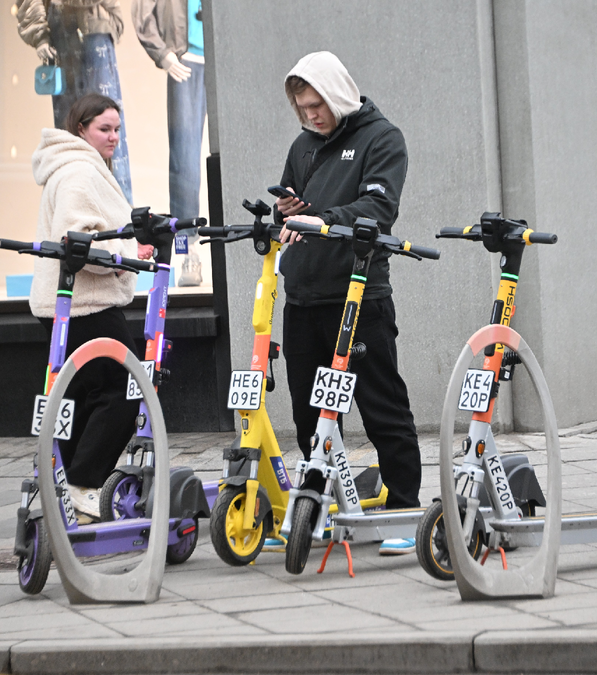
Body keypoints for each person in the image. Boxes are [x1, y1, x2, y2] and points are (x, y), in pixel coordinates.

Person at [271, 51, 421, 556]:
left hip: (359, 294)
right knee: (308, 413)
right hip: (304, 297)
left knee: (382, 407)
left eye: (317, 104)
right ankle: (320, 506)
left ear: (337, 94)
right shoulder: (303, 146)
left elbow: (379, 209)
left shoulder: (382, 138)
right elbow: (297, 213)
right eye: (302, 107)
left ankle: (404, 508)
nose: (311, 115)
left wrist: (321, 218)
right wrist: (288, 210)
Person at [29, 93, 152, 521]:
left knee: (78, 400)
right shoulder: (80, 171)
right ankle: (82, 486)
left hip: (65, 307)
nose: (114, 137)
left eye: (118, 129)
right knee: (126, 391)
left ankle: (61, 491)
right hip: (88, 305)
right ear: (81, 129)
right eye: (104, 128)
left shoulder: (71, 167)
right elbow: (77, 241)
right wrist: (127, 254)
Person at [17, 0, 134, 203]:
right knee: (71, 131)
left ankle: (121, 216)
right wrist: (40, 36)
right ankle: (76, 208)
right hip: (62, 30)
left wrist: (111, 19)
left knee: (106, 126)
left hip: (95, 27)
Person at [132, 0, 207, 286]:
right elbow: (141, 14)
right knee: (185, 162)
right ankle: (188, 250)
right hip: (184, 63)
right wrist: (163, 54)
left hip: (223, 59)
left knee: (234, 153)